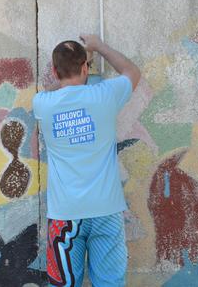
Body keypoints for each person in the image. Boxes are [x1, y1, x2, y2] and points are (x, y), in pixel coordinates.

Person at [32, 34, 141, 287]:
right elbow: (132, 72)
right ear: (85, 68)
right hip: (106, 209)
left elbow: (49, 91)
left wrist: (66, 75)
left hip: (65, 214)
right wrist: (98, 46)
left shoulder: (43, 103)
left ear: (54, 70)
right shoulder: (104, 95)